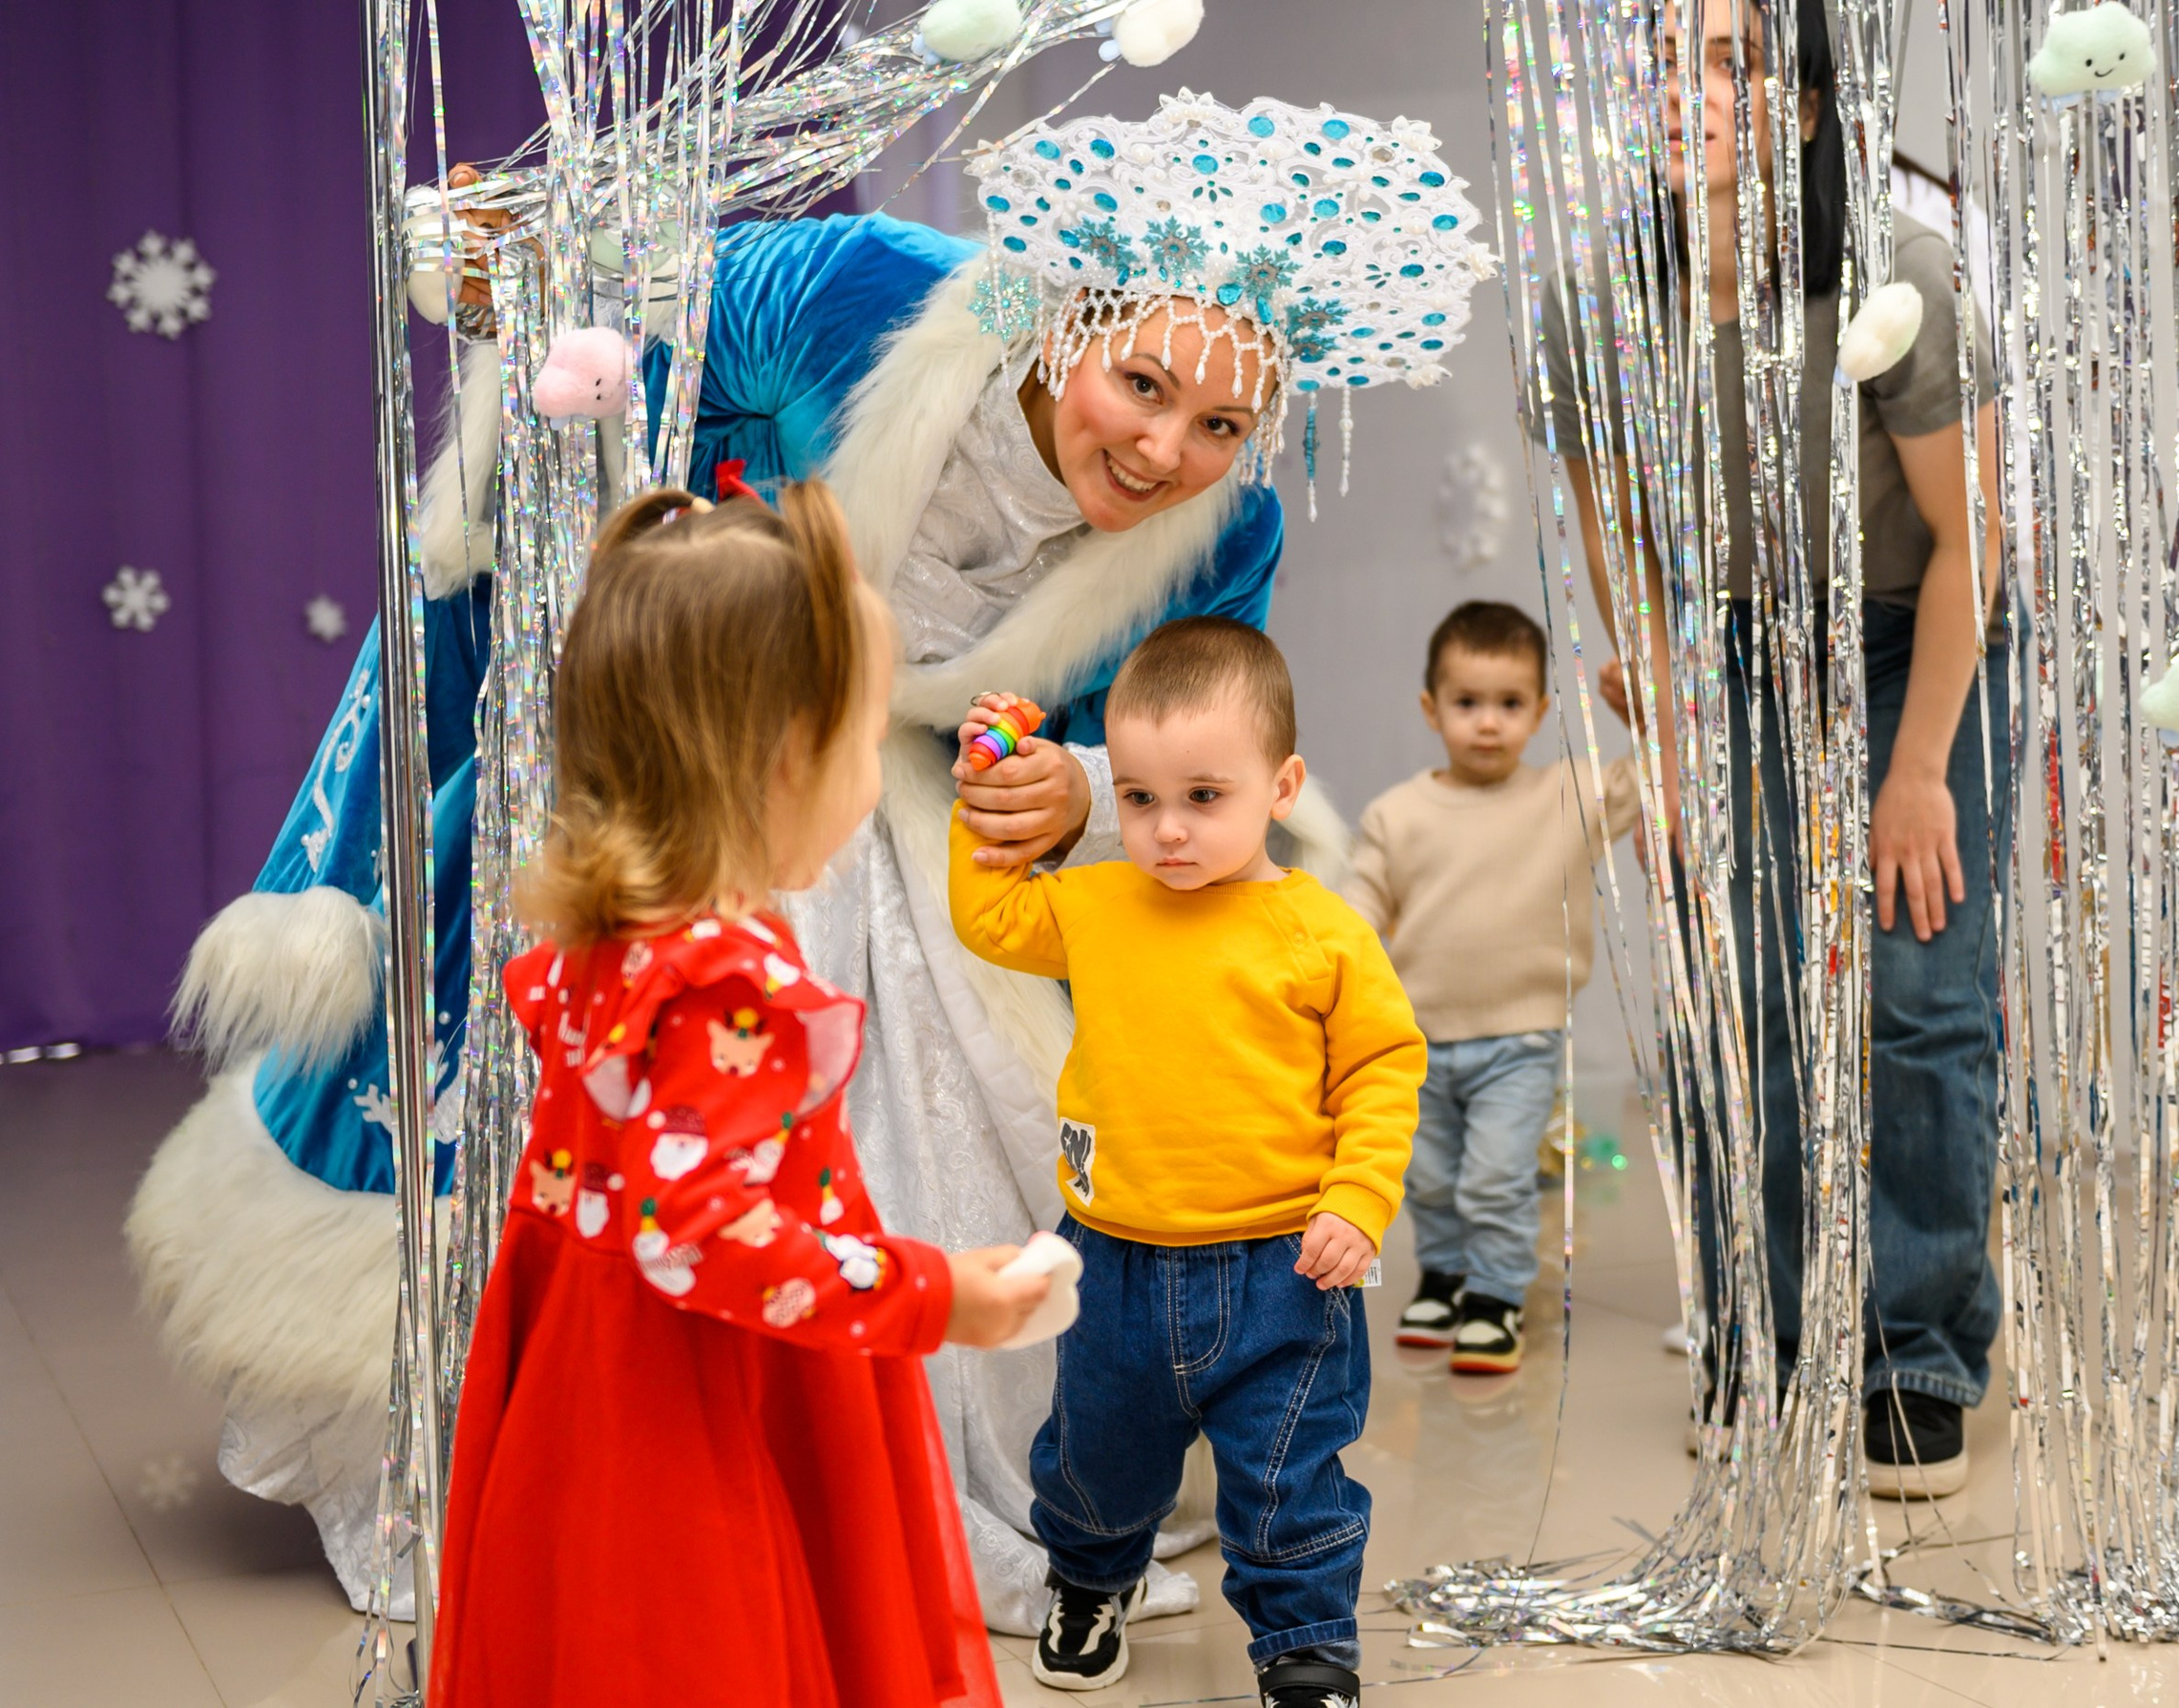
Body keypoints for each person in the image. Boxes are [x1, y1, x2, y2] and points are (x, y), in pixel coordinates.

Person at [130, 93, 1491, 1622]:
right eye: (1144, 384)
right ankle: (550, 1459)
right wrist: (529, 286)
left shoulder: (1217, 537)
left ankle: (886, 1482)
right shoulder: (859, 293)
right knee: (614, 1135)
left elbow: (1195, 729)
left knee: (958, 1112)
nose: (1169, 447)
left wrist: (1085, 783)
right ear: (1063, 322)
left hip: (879, 809)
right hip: (683, 757)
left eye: (1223, 425)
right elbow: (608, 344)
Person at [433, 480, 1049, 1706]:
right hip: (703, 1404)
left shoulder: (613, 939)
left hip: (588, 1388)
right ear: (777, 759)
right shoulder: (727, 982)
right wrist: (941, 1294)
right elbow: (708, 1235)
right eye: (864, 744)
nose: (873, 781)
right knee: (709, 1645)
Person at [1548, 0, 2011, 1497]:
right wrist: (1677, 710)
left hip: (1903, 635)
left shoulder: (1900, 274)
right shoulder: (1605, 286)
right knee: (1735, 998)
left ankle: (1911, 1349)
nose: (1689, 93)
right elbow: (1616, 517)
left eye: (1733, 63)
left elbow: (1968, 544)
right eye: (1665, 62)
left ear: (1807, 106)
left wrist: (1919, 766)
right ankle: (1764, 1328)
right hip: (1738, 647)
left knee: (1915, 996)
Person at [948, 619, 1427, 1708]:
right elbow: (990, 918)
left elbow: (1384, 1068)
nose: (1166, 831)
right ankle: (1087, 1579)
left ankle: (1306, 1644)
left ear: (1282, 784)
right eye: (1138, 799)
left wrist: (1357, 1197)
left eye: (1203, 797)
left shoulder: (1320, 929)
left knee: (1286, 1474)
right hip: (1113, 1258)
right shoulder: (1103, 900)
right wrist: (982, 786)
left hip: (1284, 1270)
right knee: (1092, 1457)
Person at [1343, 600, 1638, 1376]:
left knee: (1497, 1177)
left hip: (1522, 1038)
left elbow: (1646, 786)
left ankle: (1497, 1296)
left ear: (1540, 712)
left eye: (1510, 705)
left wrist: (1644, 716)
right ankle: (1443, 1277)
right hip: (1416, 1040)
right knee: (1430, 1177)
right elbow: (1354, 910)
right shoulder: (1398, 814)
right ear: (1430, 708)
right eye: (1467, 703)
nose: (1487, 724)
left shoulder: (1565, 796)